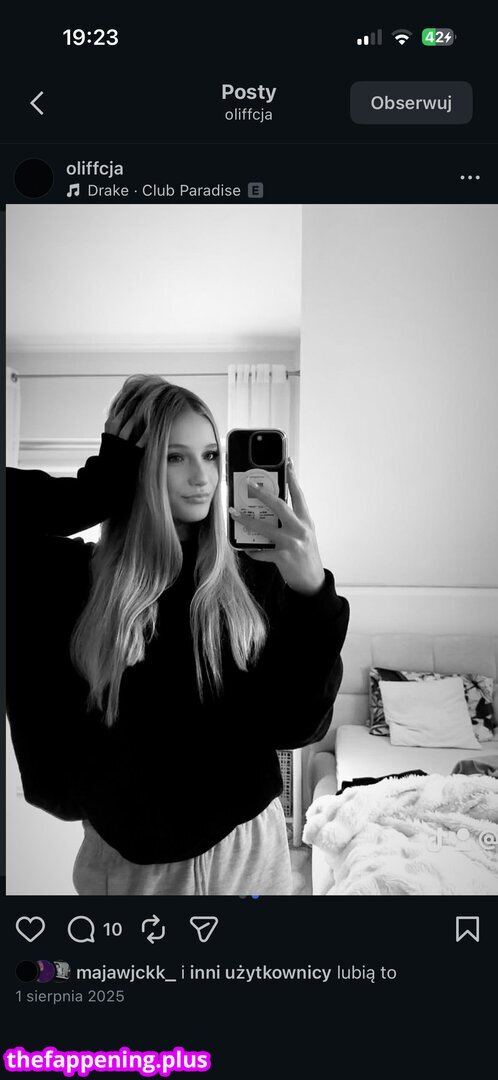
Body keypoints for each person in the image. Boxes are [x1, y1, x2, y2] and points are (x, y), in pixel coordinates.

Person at [6, 374, 349, 895]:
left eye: (211, 455)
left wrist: (312, 593)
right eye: (174, 457)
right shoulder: (74, 581)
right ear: (135, 463)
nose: (201, 477)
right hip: (126, 870)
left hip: (249, 854)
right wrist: (95, 488)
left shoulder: (254, 576)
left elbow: (300, 725)